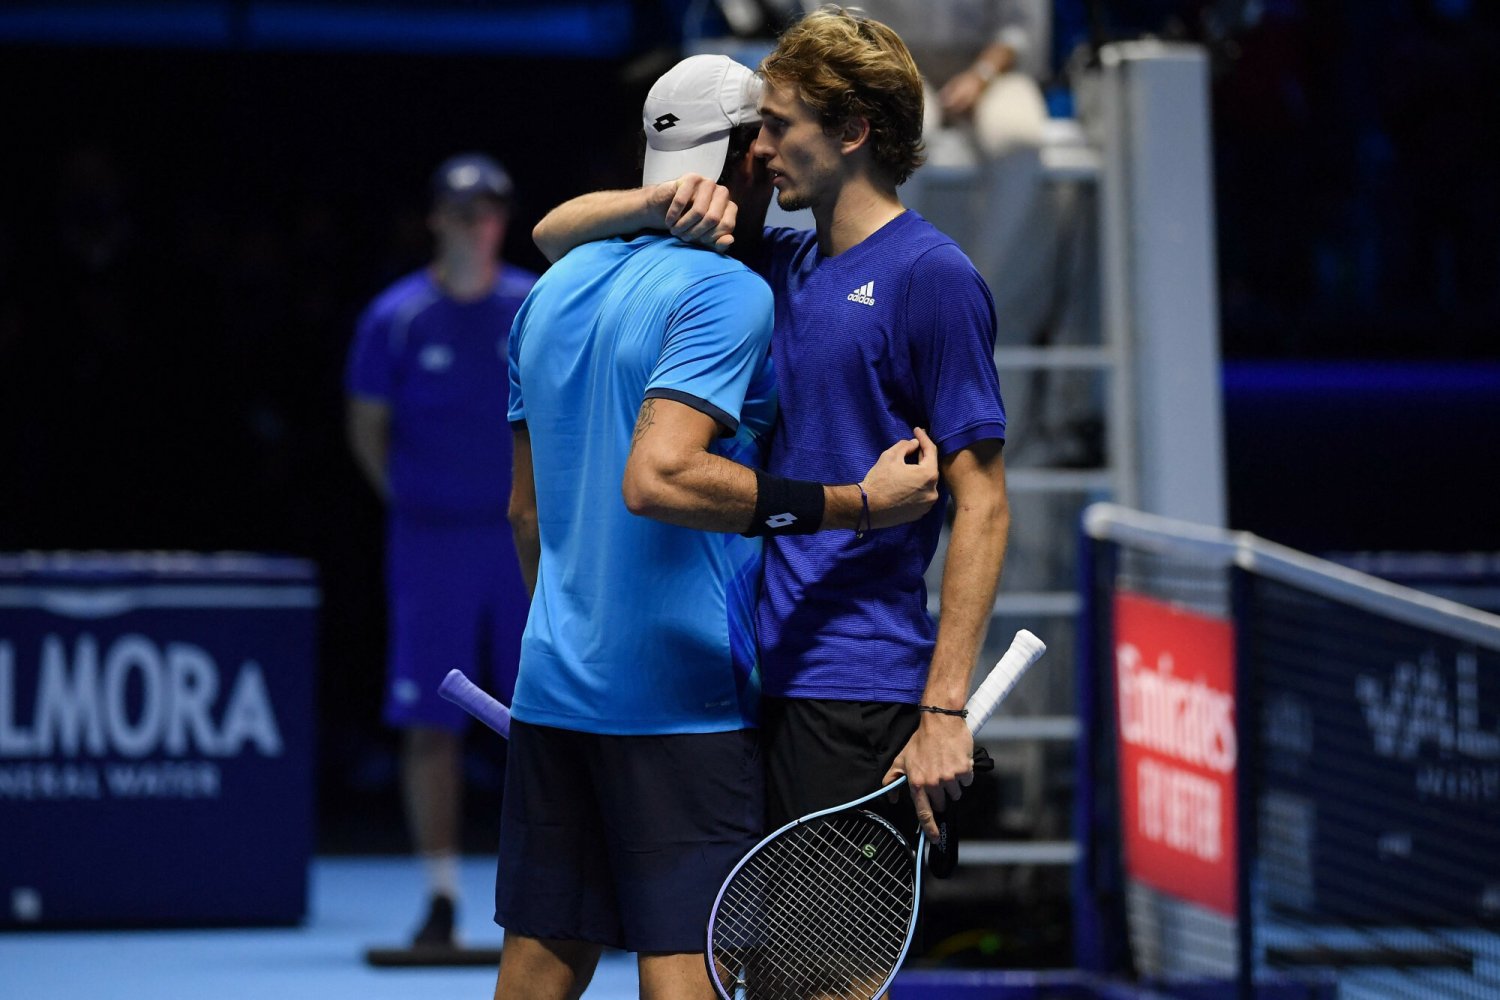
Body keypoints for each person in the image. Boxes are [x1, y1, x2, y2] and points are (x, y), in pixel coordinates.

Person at [498, 53, 940, 1000]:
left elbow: (524, 514)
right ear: (740, 155)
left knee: (543, 953)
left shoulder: (551, 289)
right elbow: (660, 478)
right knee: (688, 953)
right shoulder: (725, 291)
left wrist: (576, 630)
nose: (777, 152)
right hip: (679, 695)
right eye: (765, 134)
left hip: (554, 684)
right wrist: (856, 505)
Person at [531, 5, 1011, 848]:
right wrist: (653, 199)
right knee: (760, 966)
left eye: (779, 127)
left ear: (853, 130)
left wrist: (944, 708)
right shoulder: (781, 259)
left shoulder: (934, 278)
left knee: (832, 976)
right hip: (752, 677)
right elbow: (550, 235)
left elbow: (984, 504)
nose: (756, 149)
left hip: (856, 684)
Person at [344, 152, 538, 949]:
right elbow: (366, 426)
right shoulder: (397, 315)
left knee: (548, 719)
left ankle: (556, 891)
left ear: (501, 219)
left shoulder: (534, 303)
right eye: (460, 211)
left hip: (522, 542)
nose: (474, 225)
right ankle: (441, 896)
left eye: (487, 210)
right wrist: (415, 502)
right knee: (430, 722)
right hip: (429, 546)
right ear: (435, 219)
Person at [855, 0, 1053, 348]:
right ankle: (891, 286)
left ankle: (973, 290)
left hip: (993, 70)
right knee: (901, 131)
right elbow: (845, 18)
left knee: (1018, 138)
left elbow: (1018, 27)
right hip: (891, 63)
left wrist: (981, 75)